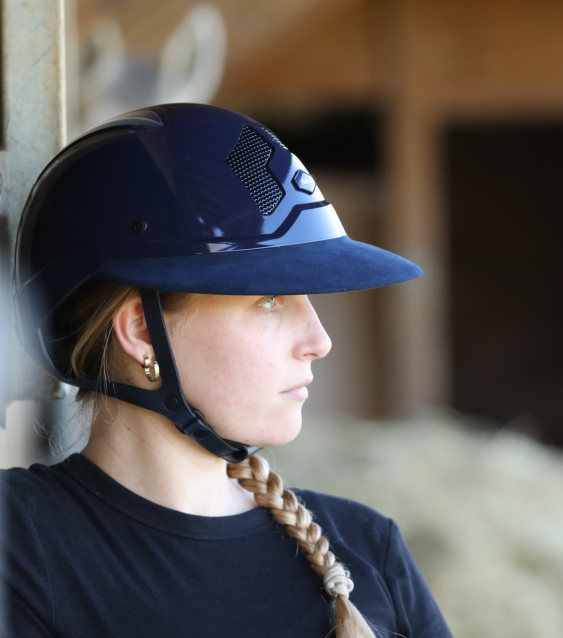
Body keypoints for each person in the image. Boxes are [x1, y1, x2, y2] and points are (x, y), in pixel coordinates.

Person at [2, 104, 453, 638]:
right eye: (270, 301)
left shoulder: (369, 548)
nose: (320, 342)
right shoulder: (18, 546)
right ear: (142, 331)